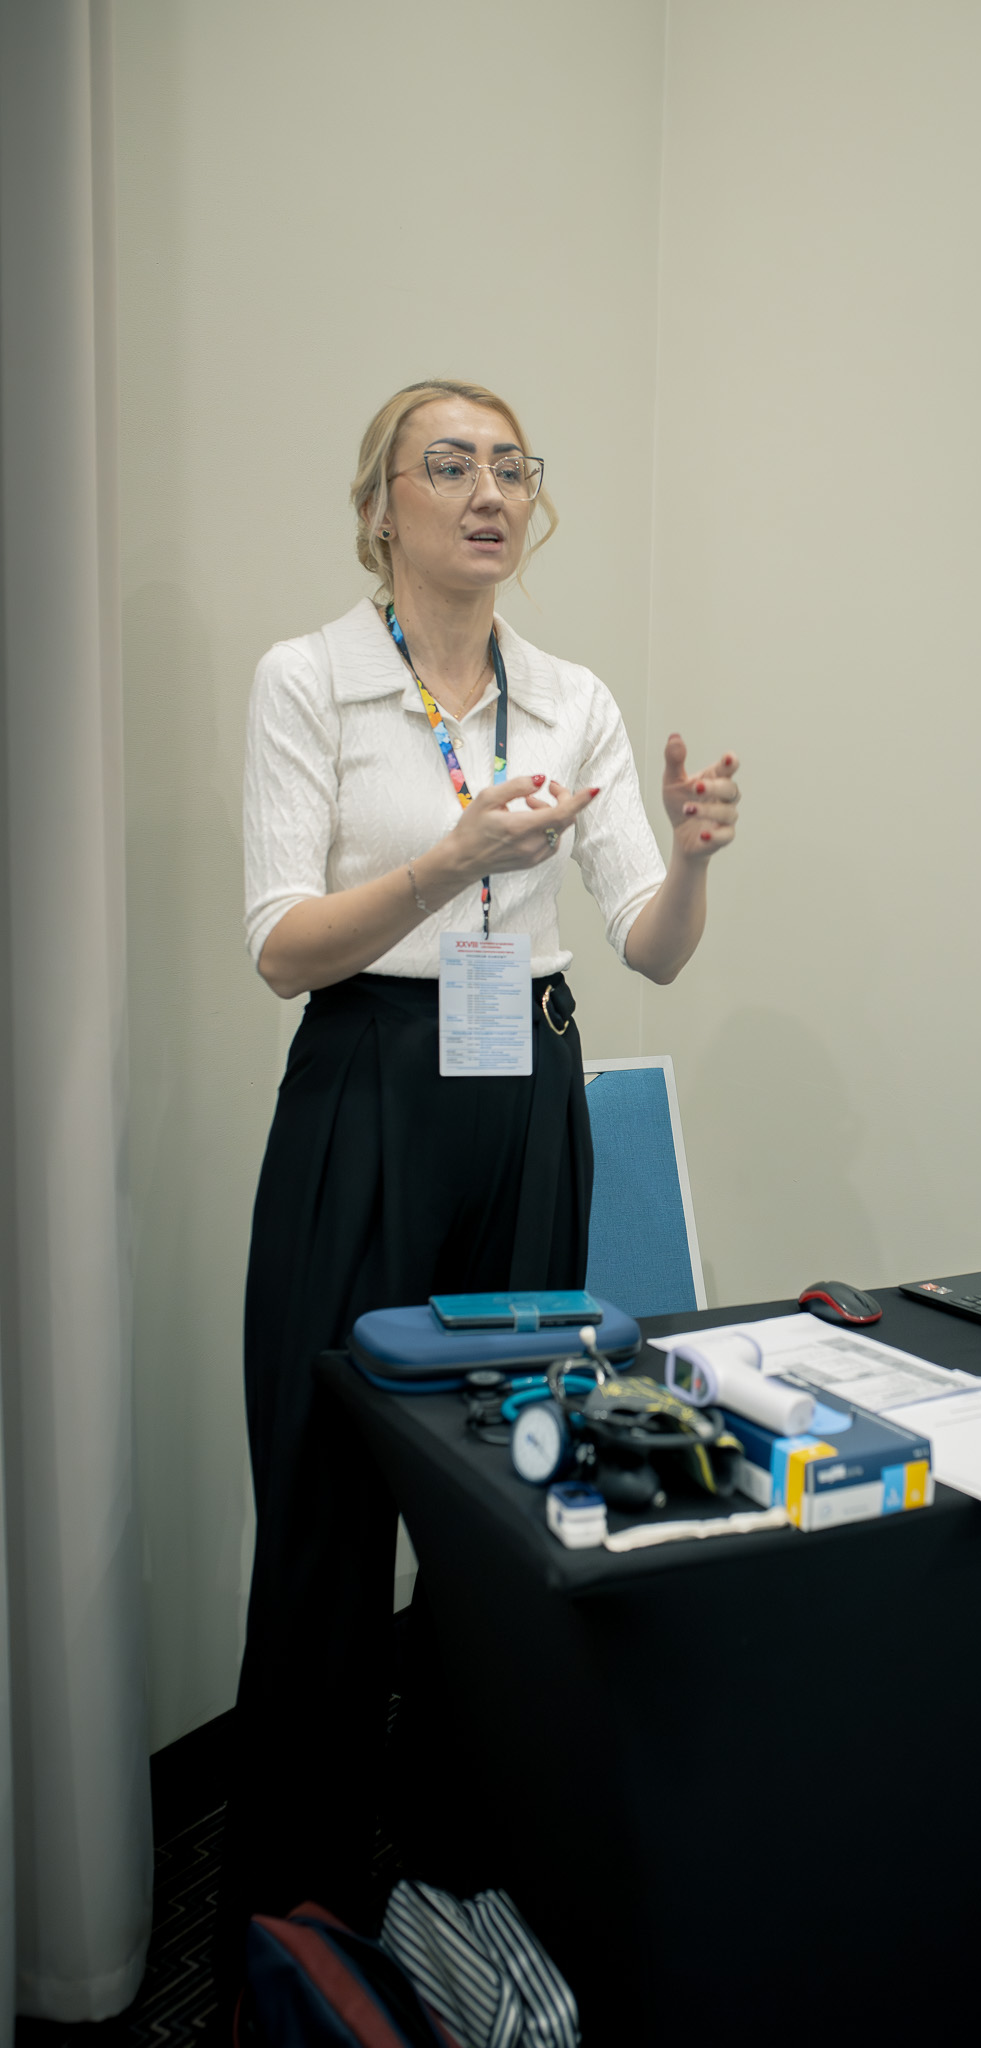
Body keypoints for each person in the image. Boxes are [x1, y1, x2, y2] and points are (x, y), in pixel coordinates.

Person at [215, 378, 740, 1981]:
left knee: (502, 1489)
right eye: (447, 466)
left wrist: (690, 857)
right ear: (381, 506)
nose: (487, 492)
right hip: (368, 1080)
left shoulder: (569, 697)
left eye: (510, 466)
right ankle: (290, 1916)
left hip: (527, 1088)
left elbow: (647, 947)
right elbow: (279, 948)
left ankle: (461, 1878)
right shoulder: (310, 678)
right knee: (326, 1503)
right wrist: (448, 861)